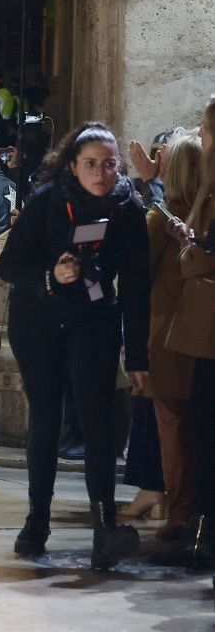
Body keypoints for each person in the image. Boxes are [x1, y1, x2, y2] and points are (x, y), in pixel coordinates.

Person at [0, 123, 150, 569]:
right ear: (73, 166)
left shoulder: (127, 208)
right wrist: (50, 274)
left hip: (94, 319)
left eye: (109, 164)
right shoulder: (47, 201)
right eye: (90, 164)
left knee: (97, 420)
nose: (101, 173)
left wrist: (137, 355)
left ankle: (105, 527)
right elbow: (9, 266)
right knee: (45, 419)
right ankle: (36, 522)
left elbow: (138, 287)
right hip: (38, 320)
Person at [125, 129, 202, 528]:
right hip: (197, 341)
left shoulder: (161, 217)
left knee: (171, 432)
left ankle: (178, 514)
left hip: (166, 341)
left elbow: (137, 283)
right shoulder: (202, 215)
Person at [160, 98, 215, 568]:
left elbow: (202, 257)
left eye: (206, 130)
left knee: (196, 430)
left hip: (202, 332)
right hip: (198, 335)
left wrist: (192, 250)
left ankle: (198, 529)